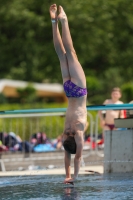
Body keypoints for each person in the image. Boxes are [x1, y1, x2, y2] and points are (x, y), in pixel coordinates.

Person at [49, 4, 87, 184]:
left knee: (70, 53)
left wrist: (74, 177)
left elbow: (77, 158)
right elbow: (68, 156)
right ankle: (53, 21)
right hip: (69, 90)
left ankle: (64, 21)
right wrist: (67, 175)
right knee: (61, 54)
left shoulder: (78, 132)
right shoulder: (66, 133)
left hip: (79, 92)